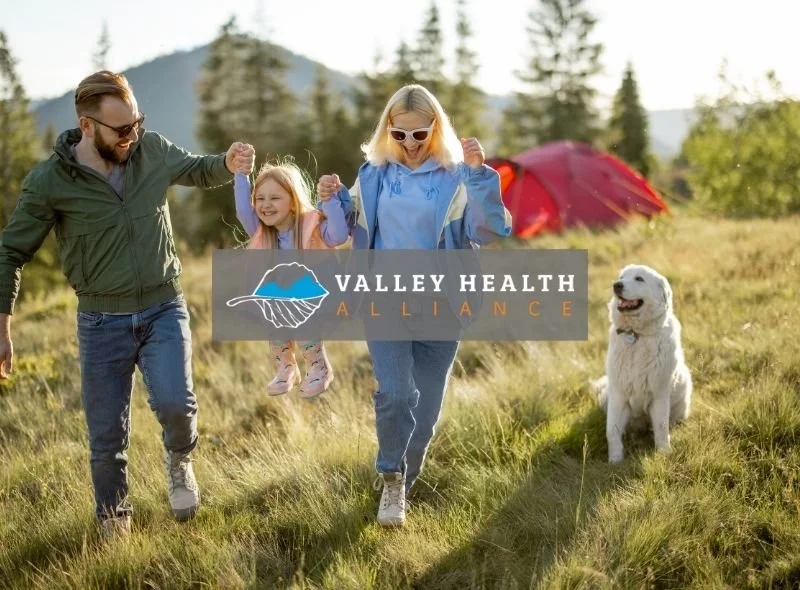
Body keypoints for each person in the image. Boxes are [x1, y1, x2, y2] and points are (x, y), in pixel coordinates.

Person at [0, 70, 255, 538]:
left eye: (137, 123)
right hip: (101, 322)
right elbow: (10, 253)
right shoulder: (50, 181)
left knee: (176, 404)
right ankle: (114, 520)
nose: (132, 136)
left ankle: (179, 460)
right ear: (87, 125)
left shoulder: (150, 149)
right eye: (122, 129)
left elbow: (199, 169)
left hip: (163, 306)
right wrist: (3, 328)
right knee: (106, 437)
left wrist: (229, 162)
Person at [317, 84, 512, 527]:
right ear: (387, 129)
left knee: (424, 416)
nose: (409, 143)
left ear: (435, 129)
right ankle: (391, 477)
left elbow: (489, 231)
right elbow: (339, 231)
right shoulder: (373, 174)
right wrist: (331, 198)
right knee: (396, 393)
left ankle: (406, 477)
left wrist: (480, 175)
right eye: (399, 133)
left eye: (419, 134)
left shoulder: (458, 177)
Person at [232, 160, 349, 397]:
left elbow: (339, 236)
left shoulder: (312, 226)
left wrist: (330, 201)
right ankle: (286, 367)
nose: (266, 204)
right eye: (260, 198)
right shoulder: (262, 230)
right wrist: (241, 175)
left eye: (275, 198)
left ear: (293, 202)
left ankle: (318, 367)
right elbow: (243, 211)